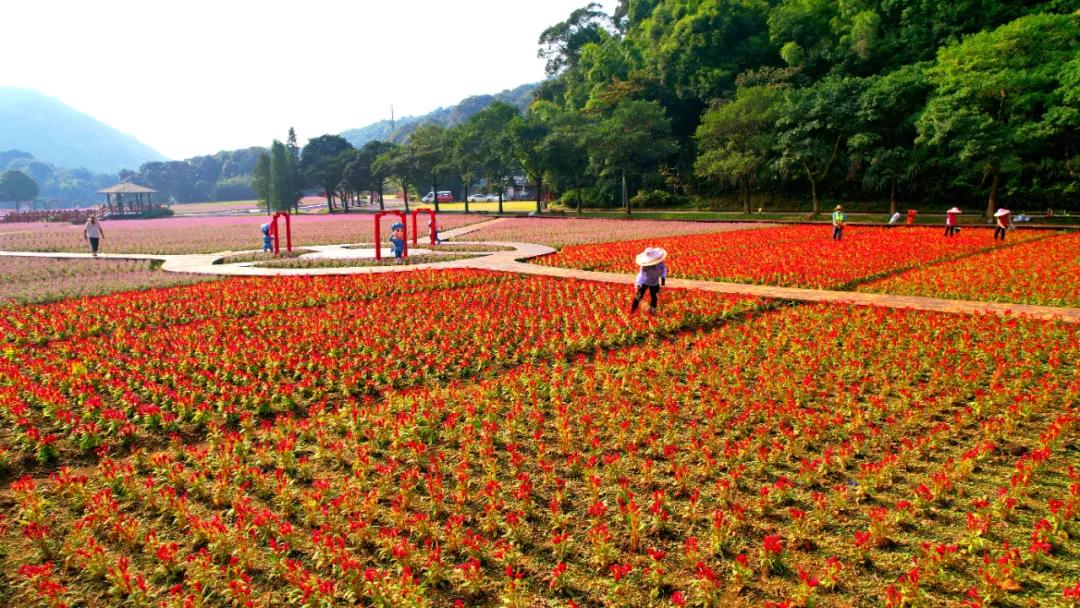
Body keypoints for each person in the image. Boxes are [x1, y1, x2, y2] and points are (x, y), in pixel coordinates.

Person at [631, 247, 668, 314]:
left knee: (654, 298)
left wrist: (663, 281)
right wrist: (638, 285)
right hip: (644, 281)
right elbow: (641, 275)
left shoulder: (659, 261)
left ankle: (652, 312)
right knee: (638, 296)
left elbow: (664, 269)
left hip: (654, 282)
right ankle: (632, 311)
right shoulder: (645, 264)